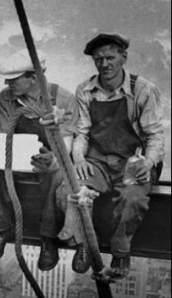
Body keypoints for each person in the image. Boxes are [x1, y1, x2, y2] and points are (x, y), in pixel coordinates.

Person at [67, 33, 165, 279]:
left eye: (110, 58)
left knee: (132, 199)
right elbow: (82, 133)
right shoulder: (85, 90)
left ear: (124, 57)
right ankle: (84, 244)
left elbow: (155, 136)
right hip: (98, 160)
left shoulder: (143, 90)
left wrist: (148, 163)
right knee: (75, 189)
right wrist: (79, 159)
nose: (104, 64)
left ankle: (121, 252)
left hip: (133, 161)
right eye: (98, 60)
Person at [0, 49, 76, 270]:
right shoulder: (6, 98)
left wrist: (53, 159)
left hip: (48, 157)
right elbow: (3, 134)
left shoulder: (63, 99)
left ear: (33, 77)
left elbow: (66, 141)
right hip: (16, 155)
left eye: (13, 79)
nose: (7, 83)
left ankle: (48, 237)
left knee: (55, 173)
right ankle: (0, 228)